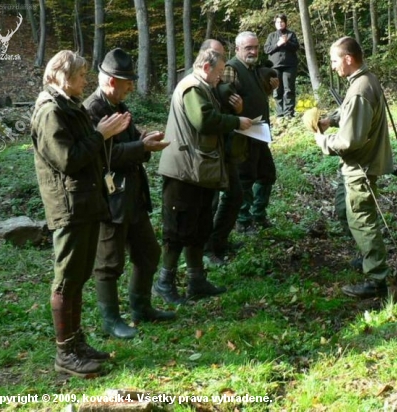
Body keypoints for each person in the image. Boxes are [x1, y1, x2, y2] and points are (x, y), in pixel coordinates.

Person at [31, 50, 130, 377]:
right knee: (66, 281)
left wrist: (102, 135)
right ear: (62, 76)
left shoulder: (68, 105)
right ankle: (65, 354)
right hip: (69, 206)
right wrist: (101, 134)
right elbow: (68, 159)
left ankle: (76, 343)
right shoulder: (49, 112)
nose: (86, 81)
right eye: (81, 75)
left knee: (78, 277)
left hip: (84, 203)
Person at [83, 48, 176, 340]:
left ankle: (141, 308)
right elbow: (100, 155)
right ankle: (110, 320)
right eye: (127, 82)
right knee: (109, 263)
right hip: (109, 200)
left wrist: (144, 139)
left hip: (133, 196)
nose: (131, 87)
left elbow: (130, 138)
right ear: (112, 81)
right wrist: (142, 148)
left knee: (148, 252)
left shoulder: (119, 106)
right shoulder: (91, 111)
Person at [154, 48, 252, 304]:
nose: (221, 77)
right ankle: (164, 283)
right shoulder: (192, 88)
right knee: (177, 230)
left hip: (197, 169)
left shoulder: (203, 86)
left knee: (199, 226)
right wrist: (236, 122)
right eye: (219, 72)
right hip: (183, 171)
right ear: (206, 68)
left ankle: (196, 280)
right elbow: (204, 121)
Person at [313, 37, 394, 299]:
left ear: (348, 59)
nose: (333, 66)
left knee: (363, 219)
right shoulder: (363, 81)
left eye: (335, 60)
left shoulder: (360, 88)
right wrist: (331, 119)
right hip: (359, 164)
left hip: (361, 165)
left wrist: (323, 140)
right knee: (344, 210)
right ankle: (367, 256)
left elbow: (350, 139)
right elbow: (352, 114)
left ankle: (377, 279)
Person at [222, 31, 279, 233]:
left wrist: (269, 89)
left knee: (267, 174)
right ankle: (243, 221)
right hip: (242, 135)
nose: (253, 51)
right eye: (248, 48)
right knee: (245, 178)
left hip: (259, 132)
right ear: (237, 49)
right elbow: (225, 101)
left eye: (255, 47)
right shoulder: (231, 68)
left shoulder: (254, 69)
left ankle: (259, 215)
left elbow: (252, 95)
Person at [198, 39, 247, 264]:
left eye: (221, 57)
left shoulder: (220, 79)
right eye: (214, 55)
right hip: (205, 155)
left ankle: (219, 240)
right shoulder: (195, 84)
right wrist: (236, 119)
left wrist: (237, 110)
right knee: (209, 202)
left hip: (225, 149)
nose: (221, 63)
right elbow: (205, 120)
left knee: (235, 194)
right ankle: (207, 249)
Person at [264, 13, 299, 118]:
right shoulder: (271, 36)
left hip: (289, 66)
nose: (280, 24)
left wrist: (286, 42)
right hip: (275, 66)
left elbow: (296, 47)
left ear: (285, 23)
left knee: (289, 89)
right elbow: (267, 50)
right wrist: (278, 44)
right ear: (275, 24)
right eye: (278, 22)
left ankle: (289, 113)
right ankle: (280, 114)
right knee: (277, 90)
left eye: (282, 22)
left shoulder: (291, 34)